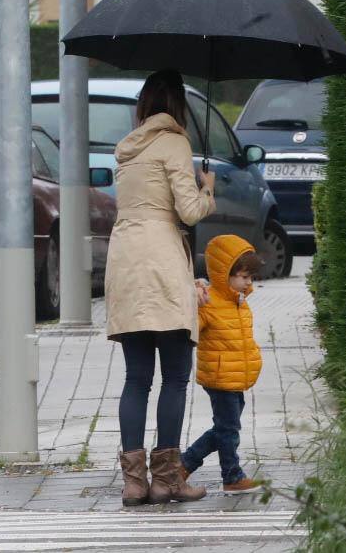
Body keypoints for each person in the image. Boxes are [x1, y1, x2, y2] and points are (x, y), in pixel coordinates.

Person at [104, 70, 216, 506]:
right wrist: (207, 191)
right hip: (162, 261)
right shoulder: (175, 142)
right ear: (178, 107)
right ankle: (168, 481)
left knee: (136, 378)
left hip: (125, 260)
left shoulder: (128, 149)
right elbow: (187, 212)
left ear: (144, 105)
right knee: (174, 377)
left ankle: (134, 483)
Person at [181, 235, 264, 494]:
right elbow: (192, 330)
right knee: (229, 429)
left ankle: (184, 464)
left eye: (250, 277)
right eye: (243, 276)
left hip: (235, 377)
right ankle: (232, 476)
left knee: (225, 428)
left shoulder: (239, 303)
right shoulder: (209, 302)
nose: (248, 282)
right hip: (219, 376)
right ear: (223, 273)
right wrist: (192, 299)